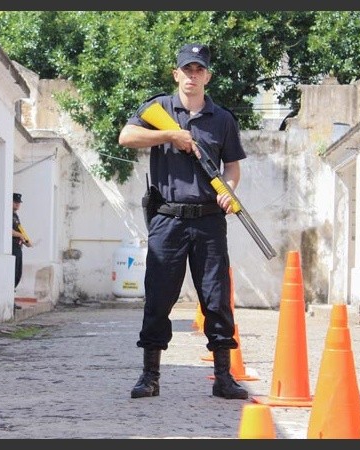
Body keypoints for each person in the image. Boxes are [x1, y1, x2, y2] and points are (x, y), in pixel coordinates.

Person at [118, 43, 248, 400]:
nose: (192, 76)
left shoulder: (222, 119)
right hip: (168, 219)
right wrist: (170, 135)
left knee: (216, 298)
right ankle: (150, 376)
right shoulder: (158, 108)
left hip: (209, 220)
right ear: (176, 74)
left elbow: (232, 167)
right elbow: (126, 136)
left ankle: (223, 377)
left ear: (207, 76)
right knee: (159, 297)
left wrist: (229, 190)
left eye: (199, 70)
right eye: (186, 70)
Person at [11, 192, 32, 310]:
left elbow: (20, 231)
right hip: (12, 246)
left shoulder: (15, 216)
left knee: (18, 273)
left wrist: (25, 241)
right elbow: (8, 230)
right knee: (13, 273)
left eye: (18, 203)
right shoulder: (8, 214)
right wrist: (19, 235)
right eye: (15, 202)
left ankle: (12, 297)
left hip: (18, 247)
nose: (17, 204)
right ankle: (10, 299)